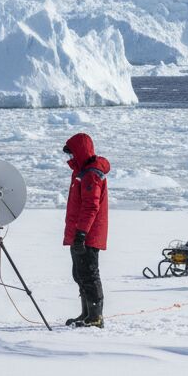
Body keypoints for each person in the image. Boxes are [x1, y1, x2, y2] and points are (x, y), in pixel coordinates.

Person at [63, 133, 110, 328]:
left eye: (72, 153)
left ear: (80, 152)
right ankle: (86, 313)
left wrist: (81, 234)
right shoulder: (82, 171)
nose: (70, 158)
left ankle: (95, 317)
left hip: (87, 234)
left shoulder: (91, 174)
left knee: (89, 274)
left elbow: (91, 206)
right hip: (79, 231)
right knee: (79, 273)